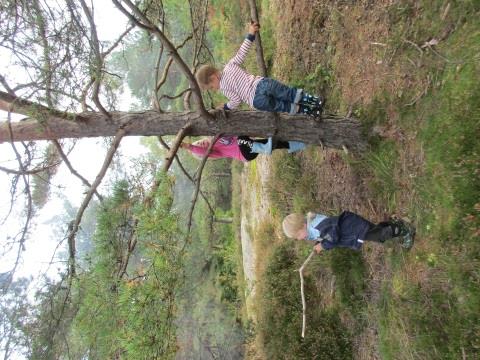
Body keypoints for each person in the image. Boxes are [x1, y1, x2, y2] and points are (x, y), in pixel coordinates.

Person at [195, 21, 324, 117]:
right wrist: (251, 34)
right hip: (262, 84)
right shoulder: (229, 65)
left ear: (213, 77)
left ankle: (311, 111)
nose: (214, 89)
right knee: (288, 93)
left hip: (257, 101)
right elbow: (242, 52)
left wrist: (225, 106)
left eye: (211, 87)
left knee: (283, 106)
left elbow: (236, 101)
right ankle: (315, 101)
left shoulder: (224, 88)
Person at [282, 211, 415, 252]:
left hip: (354, 229)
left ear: (302, 226)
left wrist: (322, 246)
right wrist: (319, 242)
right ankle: (395, 225)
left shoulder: (317, 226)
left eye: (297, 235)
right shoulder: (312, 227)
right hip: (352, 226)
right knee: (376, 230)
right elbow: (324, 235)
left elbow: (332, 237)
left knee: (380, 235)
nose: (299, 239)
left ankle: (405, 231)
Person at [180, 135, 306, 162]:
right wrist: (189, 147)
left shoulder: (215, 136)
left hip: (249, 145)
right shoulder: (214, 152)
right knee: (241, 139)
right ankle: (265, 149)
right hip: (244, 153)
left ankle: (298, 144)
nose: (200, 144)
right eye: (199, 147)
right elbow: (200, 151)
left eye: (198, 142)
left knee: (274, 143)